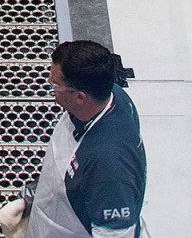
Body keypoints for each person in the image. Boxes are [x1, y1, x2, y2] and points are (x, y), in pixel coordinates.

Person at [23, 39, 147, 236]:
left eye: (55, 84)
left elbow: (115, 234)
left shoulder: (109, 168)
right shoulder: (107, 95)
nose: (52, 88)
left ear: (80, 97)